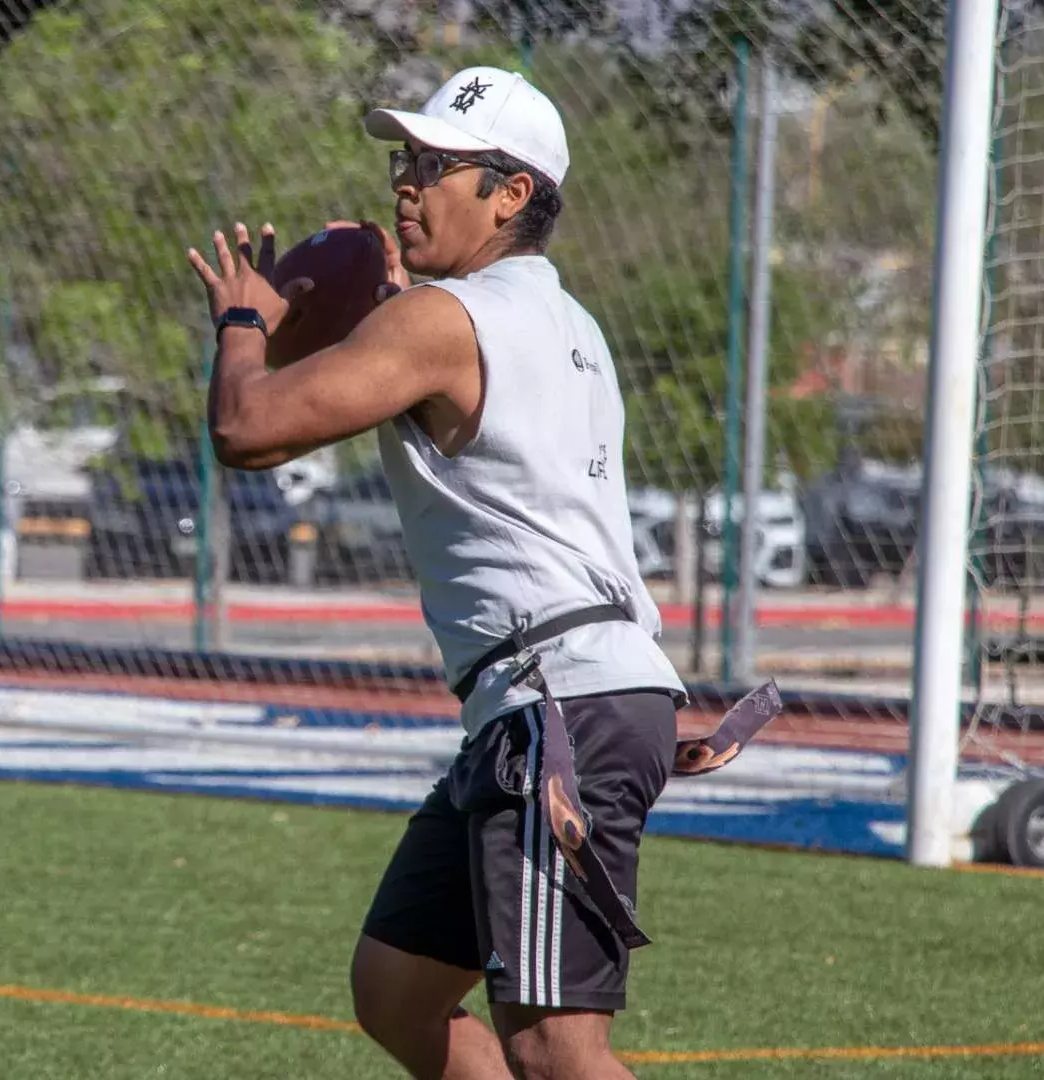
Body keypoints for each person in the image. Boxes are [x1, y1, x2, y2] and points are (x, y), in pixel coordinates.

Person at [186, 66, 687, 1080]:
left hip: (559, 707)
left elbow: (248, 430)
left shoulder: (443, 324)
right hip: (561, 697)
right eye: (403, 162)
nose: (405, 184)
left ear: (510, 193)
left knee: (556, 1046)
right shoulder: (567, 324)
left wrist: (248, 322)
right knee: (398, 988)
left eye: (434, 166)